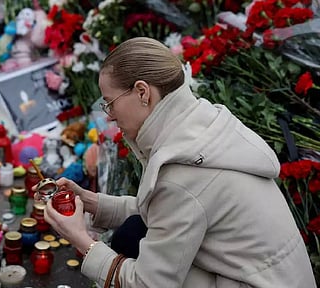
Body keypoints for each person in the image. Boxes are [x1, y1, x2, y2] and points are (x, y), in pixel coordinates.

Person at [43, 37, 316, 287]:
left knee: (132, 243)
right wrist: (94, 203)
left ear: (142, 92)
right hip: (277, 277)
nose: (110, 116)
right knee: (134, 233)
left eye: (109, 103)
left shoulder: (181, 171)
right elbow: (171, 213)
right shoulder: (202, 125)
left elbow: (148, 283)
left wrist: (82, 240)